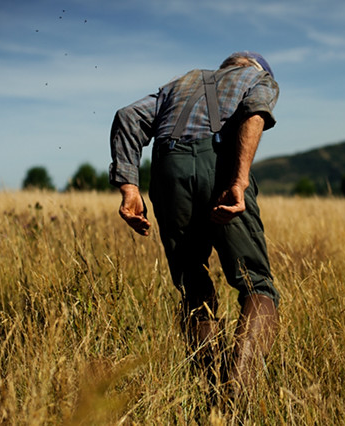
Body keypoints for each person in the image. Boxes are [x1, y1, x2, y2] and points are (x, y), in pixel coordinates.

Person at [108, 52, 280, 399]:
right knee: (256, 285)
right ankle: (237, 394)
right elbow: (255, 113)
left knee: (194, 285)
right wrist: (239, 180)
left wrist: (129, 187)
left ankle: (212, 391)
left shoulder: (179, 84)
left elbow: (127, 116)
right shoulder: (257, 80)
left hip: (168, 170)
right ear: (254, 66)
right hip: (220, 165)